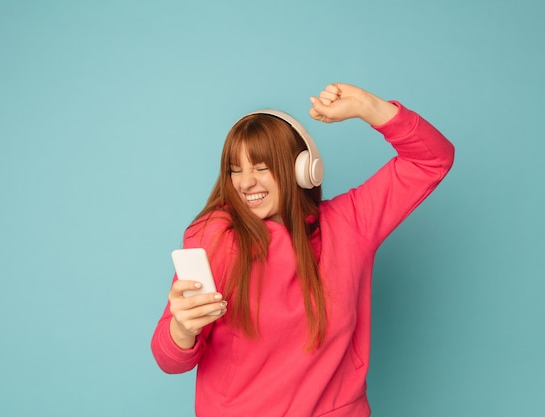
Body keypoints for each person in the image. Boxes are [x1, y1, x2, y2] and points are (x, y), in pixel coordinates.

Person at [151, 83, 455, 417]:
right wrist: (182, 330)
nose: (245, 183)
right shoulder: (217, 238)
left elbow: (432, 160)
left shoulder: (350, 224)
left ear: (302, 169)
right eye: (235, 170)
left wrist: (370, 108)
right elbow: (170, 361)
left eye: (261, 167)